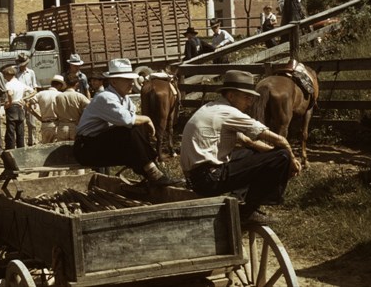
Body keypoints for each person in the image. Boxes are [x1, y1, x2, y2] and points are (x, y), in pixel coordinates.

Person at [180, 70, 301, 225]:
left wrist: (269, 156)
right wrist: (289, 159)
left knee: (250, 153)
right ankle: (249, 211)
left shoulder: (212, 108)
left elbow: (249, 142)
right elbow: (281, 141)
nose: (250, 102)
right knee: (281, 156)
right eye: (246, 97)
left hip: (197, 177)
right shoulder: (228, 112)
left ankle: (239, 199)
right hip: (210, 179)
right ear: (231, 96)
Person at [74, 58, 181, 186]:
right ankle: (152, 171)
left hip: (101, 144)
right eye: (127, 80)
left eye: (131, 79)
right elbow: (127, 120)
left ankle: (150, 171)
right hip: (86, 148)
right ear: (113, 81)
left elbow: (131, 119)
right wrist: (147, 119)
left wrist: (142, 123)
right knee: (132, 128)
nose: (131, 83)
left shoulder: (124, 99)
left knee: (135, 128)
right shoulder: (105, 97)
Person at [2, 65, 35, 149]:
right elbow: (33, 91)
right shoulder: (21, 84)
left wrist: (9, 103)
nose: (5, 77)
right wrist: (24, 98)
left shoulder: (8, 84)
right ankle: (21, 149)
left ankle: (11, 150)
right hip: (20, 107)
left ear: (9, 75)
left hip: (12, 107)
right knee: (20, 131)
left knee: (11, 131)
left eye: (5, 75)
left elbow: (10, 94)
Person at [27, 74, 65, 144]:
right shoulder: (60, 95)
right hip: (56, 124)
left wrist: (38, 117)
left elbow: (27, 104)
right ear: (59, 85)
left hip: (45, 124)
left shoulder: (41, 94)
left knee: (45, 146)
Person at [54, 73, 90, 141]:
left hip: (62, 126)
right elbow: (90, 107)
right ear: (76, 84)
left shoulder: (58, 97)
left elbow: (56, 110)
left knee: (62, 150)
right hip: (75, 126)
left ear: (65, 84)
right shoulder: (79, 96)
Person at [15, 53, 39, 146]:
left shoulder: (31, 73)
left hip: (29, 99)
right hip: (20, 100)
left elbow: (34, 88)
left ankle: (32, 141)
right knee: (21, 122)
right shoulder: (16, 74)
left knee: (31, 122)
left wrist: (32, 98)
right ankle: (22, 143)